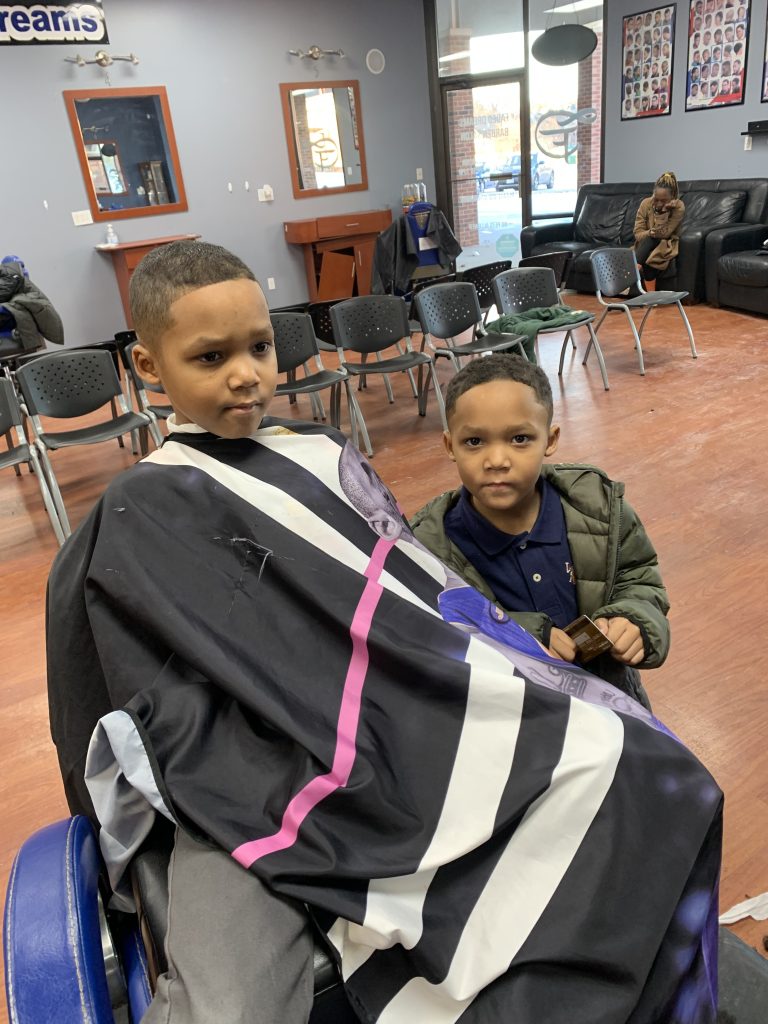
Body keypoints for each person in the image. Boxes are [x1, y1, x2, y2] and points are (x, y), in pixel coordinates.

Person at [47, 242, 722, 1024]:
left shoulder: (325, 456)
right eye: (211, 356)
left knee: (639, 765)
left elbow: (407, 595)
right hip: (243, 756)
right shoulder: (135, 511)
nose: (246, 375)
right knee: (232, 1009)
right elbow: (121, 680)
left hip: (387, 705)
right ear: (148, 365)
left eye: (260, 347)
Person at [411, 354, 670, 708]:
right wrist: (526, 636)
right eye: (474, 442)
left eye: (519, 438)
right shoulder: (429, 547)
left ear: (550, 439)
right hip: (519, 722)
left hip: (615, 704)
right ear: (449, 446)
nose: (497, 460)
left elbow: (639, 577)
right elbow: (434, 632)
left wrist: (633, 619)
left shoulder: (599, 507)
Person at [633, 170, 685, 289]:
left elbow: (664, 233)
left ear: (672, 197)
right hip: (645, 243)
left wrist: (663, 212)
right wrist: (650, 232)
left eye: (664, 200)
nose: (659, 203)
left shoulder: (679, 206)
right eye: (656, 199)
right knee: (650, 243)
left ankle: (633, 270)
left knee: (651, 255)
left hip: (666, 244)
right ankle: (651, 298)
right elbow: (638, 234)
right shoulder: (645, 204)